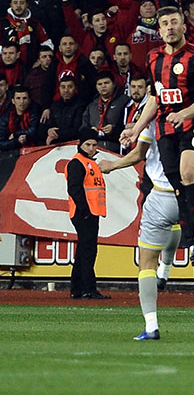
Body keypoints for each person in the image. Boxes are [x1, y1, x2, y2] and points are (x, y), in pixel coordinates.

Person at [101, 121, 194, 340]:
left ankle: (151, 325)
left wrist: (112, 165)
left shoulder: (153, 123)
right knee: (176, 224)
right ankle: (167, 267)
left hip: (162, 196)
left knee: (146, 263)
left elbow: (137, 155)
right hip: (191, 197)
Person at [120, 7, 194, 281]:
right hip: (165, 127)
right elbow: (155, 98)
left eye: (175, 22)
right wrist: (136, 129)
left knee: (188, 172)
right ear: (159, 30)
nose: (170, 27)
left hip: (192, 123)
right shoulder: (153, 58)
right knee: (177, 182)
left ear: (184, 26)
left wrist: (182, 114)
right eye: (165, 23)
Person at [65, 127, 109, 300]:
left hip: (90, 212)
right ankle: (88, 288)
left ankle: (77, 288)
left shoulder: (88, 162)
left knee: (84, 250)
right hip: (85, 212)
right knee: (88, 250)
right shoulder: (78, 163)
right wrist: (85, 210)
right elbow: (74, 189)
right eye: (88, 144)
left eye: (94, 145)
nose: (92, 148)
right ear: (80, 144)